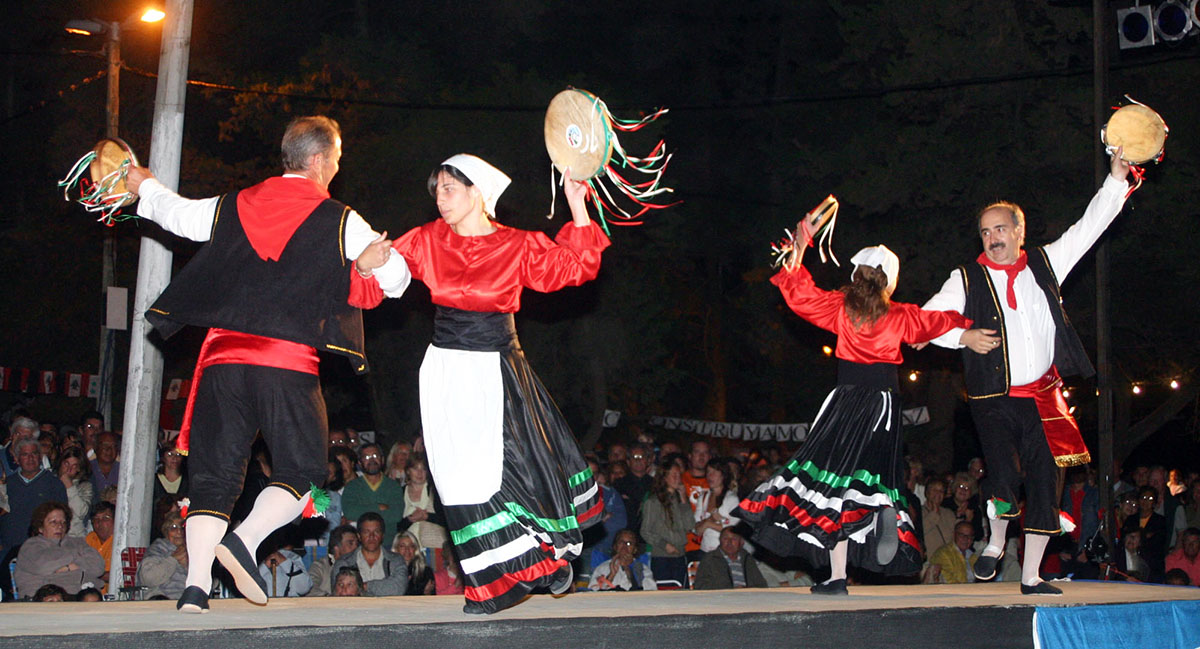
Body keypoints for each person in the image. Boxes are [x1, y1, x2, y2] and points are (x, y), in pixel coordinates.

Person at [123, 115, 411, 613]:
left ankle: (195, 589)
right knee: (301, 469)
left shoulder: (232, 204)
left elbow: (177, 215)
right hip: (285, 361)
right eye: (337, 159)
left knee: (212, 477)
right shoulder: (341, 219)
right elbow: (399, 281)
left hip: (221, 362)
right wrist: (372, 264)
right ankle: (244, 540)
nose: (338, 168)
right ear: (319, 160)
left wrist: (144, 184)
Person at [348, 154, 606, 614]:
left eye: (450, 188)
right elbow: (385, 280)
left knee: (512, 472)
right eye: (438, 189)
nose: (440, 198)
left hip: (498, 368)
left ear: (478, 193)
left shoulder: (517, 244)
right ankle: (505, 572)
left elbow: (575, 268)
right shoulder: (427, 239)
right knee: (454, 482)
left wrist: (576, 204)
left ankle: (539, 558)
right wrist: (368, 265)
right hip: (445, 369)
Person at [920, 150, 1133, 595]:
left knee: (1043, 482)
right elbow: (926, 321)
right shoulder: (966, 279)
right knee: (1002, 475)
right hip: (993, 397)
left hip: (1043, 394)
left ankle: (1033, 575)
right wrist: (962, 337)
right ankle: (995, 543)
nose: (993, 238)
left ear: (1019, 231)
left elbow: (1089, 228)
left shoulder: (1045, 262)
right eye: (985, 232)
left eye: (1000, 229)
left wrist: (1116, 180)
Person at [736, 225, 970, 596]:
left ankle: (840, 571)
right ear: (889, 282)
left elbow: (798, 293)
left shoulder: (840, 307)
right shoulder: (901, 314)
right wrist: (967, 324)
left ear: (856, 276)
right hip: (885, 405)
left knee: (833, 486)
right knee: (865, 484)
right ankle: (864, 538)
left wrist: (800, 245)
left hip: (848, 403)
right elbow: (937, 322)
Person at [14, 502, 105, 596]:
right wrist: (76, 557)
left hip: (81, 598)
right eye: (53, 522)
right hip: (44, 600)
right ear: (40, 527)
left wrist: (67, 567)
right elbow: (44, 567)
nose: (60, 526)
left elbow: (98, 568)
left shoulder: (78, 543)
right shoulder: (31, 546)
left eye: (63, 522)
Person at [1, 438, 68, 553]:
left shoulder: (54, 483)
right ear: (17, 459)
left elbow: (62, 519)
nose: (30, 458)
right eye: (25, 454)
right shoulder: (7, 484)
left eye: (34, 453)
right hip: (10, 550)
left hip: (43, 550)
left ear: (40, 456)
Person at [640, 463, 693, 587]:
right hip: (662, 557)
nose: (677, 478)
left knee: (680, 591)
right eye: (673, 475)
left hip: (680, 555)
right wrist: (664, 545)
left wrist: (684, 499)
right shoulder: (653, 501)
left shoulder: (680, 500)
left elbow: (690, 526)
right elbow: (645, 531)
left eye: (679, 475)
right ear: (664, 478)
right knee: (664, 591)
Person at [330, 512, 407, 596]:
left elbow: (398, 589)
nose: (371, 536)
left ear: (382, 535)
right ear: (359, 536)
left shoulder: (395, 560)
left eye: (376, 532)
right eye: (366, 532)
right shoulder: (343, 563)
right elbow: (339, 594)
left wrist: (362, 586)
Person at [341, 443, 406, 535]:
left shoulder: (393, 486)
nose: (371, 460)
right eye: (366, 457)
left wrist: (362, 511)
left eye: (375, 455)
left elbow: (396, 515)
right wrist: (379, 507)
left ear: (382, 459)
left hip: (388, 541)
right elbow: (350, 513)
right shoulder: (352, 487)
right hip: (361, 543)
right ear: (359, 463)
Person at [396, 454, 447, 552]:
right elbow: (396, 526)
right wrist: (410, 519)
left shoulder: (434, 491)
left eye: (423, 469)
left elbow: (446, 519)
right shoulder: (400, 492)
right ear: (408, 471)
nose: (419, 473)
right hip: (408, 550)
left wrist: (427, 517)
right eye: (415, 468)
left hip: (434, 546)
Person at [693, 527, 768, 590]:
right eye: (725, 538)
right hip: (721, 600)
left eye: (734, 539)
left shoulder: (747, 559)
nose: (729, 542)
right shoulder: (710, 559)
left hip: (748, 599)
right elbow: (700, 586)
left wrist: (746, 589)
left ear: (741, 542)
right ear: (720, 541)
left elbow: (762, 585)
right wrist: (730, 589)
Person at [137, 511, 189, 600]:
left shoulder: (194, 549)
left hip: (188, 600)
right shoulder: (158, 548)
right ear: (166, 531)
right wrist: (173, 559)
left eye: (183, 528)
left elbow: (211, 582)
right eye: (173, 528)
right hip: (161, 598)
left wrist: (187, 566)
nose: (179, 532)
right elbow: (148, 578)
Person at [693, 459, 740, 554]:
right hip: (705, 550)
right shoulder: (703, 497)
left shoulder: (731, 499)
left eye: (715, 472)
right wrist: (712, 521)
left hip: (725, 551)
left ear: (723, 475)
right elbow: (696, 529)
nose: (710, 476)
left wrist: (707, 524)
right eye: (708, 472)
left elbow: (734, 529)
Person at [588, 529, 656, 591]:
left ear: (635, 549)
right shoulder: (603, 567)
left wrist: (630, 572)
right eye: (621, 542)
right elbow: (593, 592)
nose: (624, 547)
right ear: (615, 547)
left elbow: (650, 591)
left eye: (629, 543)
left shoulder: (643, 569)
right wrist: (611, 575)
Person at [306, 524, 358, 597]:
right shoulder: (320, 566)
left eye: (357, 544)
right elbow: (308, 588)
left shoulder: (360, 564)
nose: (356, 547)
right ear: (336, 549)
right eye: (350, 543)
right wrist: (330, 599)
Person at [56, 447, 92, 538]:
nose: (69, 469)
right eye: (66, 464)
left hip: (74, 537)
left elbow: (81, 512)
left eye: (74, 466)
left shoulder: (85, 486)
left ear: (79, 468)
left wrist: (69, 486)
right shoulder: (50, 482)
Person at [83, 501, 116, 593]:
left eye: (105, 518)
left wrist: (93, 574)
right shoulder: (90, 538)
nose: (100, 522)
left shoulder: (121, 541)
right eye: (96, 519)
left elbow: (119, 576)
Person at [921, 478, 956, 557]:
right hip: (929, 561)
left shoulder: (949, 514)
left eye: (941, 491)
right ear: (926, 493)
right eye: (934, 490)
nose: (938, 493)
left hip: (947, 561)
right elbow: (920, 531)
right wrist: (934, 514)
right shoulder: (919, 512)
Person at [392, 530, 433, 595]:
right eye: (402, 546)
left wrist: (427, 593)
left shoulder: (425, 572)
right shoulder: (388, 571)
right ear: (396, 549)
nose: (407, 550)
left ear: (415, 549)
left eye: (411, 546)